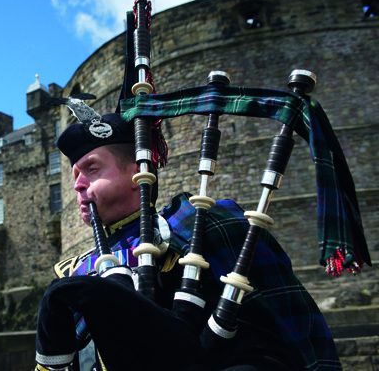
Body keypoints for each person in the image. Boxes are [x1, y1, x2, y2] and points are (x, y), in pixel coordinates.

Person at [35, 112, 341, 371]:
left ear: (137, 173)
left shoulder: (198, 225)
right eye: (75, 174)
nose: (77, 184)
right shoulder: (75, 270)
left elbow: (282, 327)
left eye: (91, 168)